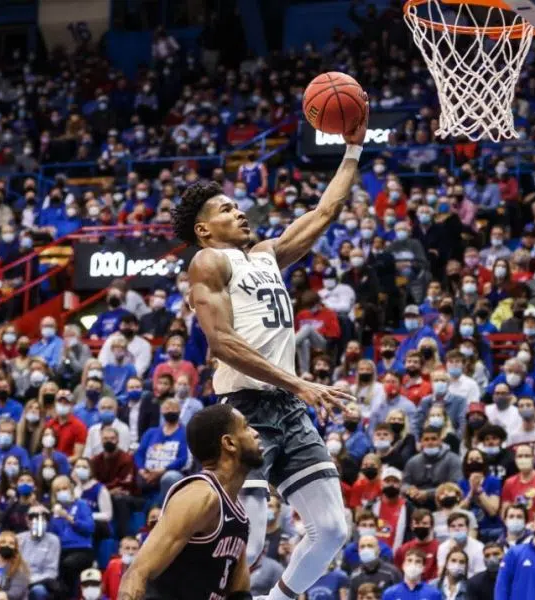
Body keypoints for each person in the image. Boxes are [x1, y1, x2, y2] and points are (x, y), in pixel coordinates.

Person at [176, 104, 368, 600]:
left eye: (237, 206)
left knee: (331, 530)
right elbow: (222, 343)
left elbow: (325, 212)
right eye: (224, 209)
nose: (238, 211)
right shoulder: (208, 261)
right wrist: (299, 381)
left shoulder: (264, 255)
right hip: (243, 412)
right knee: (252, 537)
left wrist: (353, 147)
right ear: (204, 230)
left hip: (288, 405)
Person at [118, 404, 263, 600]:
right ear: (229, 443)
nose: (255, 433)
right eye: (246, 427)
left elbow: (239, 593)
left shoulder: (238, 514)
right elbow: (137, 573)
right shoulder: (200, 495)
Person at [17, 505, 61, 600]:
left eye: (43, 518)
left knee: (39, 591)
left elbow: (51, 572)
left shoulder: (53, 540)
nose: (38, 521)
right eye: (33, 517)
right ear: (27, 521)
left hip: (39, 582)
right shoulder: (18, 538)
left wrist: (31, 581)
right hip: (18, 581)